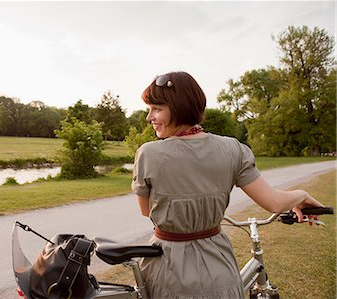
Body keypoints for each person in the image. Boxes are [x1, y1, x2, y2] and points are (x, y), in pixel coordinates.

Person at [131, 71, 324, 299]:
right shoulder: (233, 149)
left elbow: (146, 211)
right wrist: (301, 195)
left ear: (180, 106)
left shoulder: (149, 153)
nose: (149, 117)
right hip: (219, 266)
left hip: (168, 269)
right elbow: (274, 203)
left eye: (157, 108)